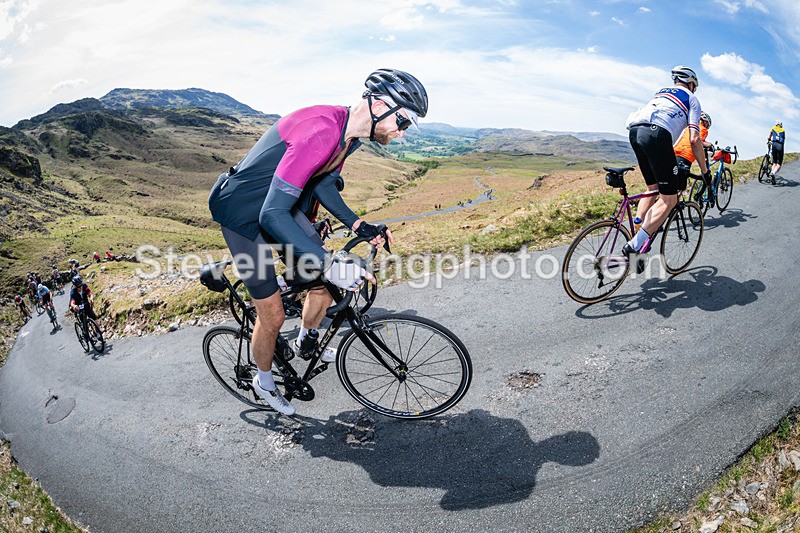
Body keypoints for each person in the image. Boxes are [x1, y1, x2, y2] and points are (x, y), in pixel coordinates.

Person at [208, 68, 427, 415]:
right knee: (274, 315)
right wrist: (328, 262)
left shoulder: (348, 138)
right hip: (243, 216)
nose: (402, 132)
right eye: (403, 120)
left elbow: (323, 184)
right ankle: (263, 382)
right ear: (379, 104)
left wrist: (359, 225)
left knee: (323, 283)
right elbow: (270, 216)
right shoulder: (321, 130)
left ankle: (306, 339)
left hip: (277, 206)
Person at [624, 65, 710, 263]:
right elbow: (695, 139)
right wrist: (705, 172)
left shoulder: (661, 92)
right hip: (657, 135)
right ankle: (634, 248)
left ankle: (638, 230)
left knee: (652, 189)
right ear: (691, 83)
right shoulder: (692, 98)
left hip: (635, 131)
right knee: (669, 200)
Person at [674, 111, 714, 202]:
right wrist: (710, 145)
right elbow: (698, 141)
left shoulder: (689, 128)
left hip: (675, 154)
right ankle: (672, 211)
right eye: (707, 125)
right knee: (680, 188)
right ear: (705, 122)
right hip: (685, 157)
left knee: (673, 186)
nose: (707, 127)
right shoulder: (702, 129)